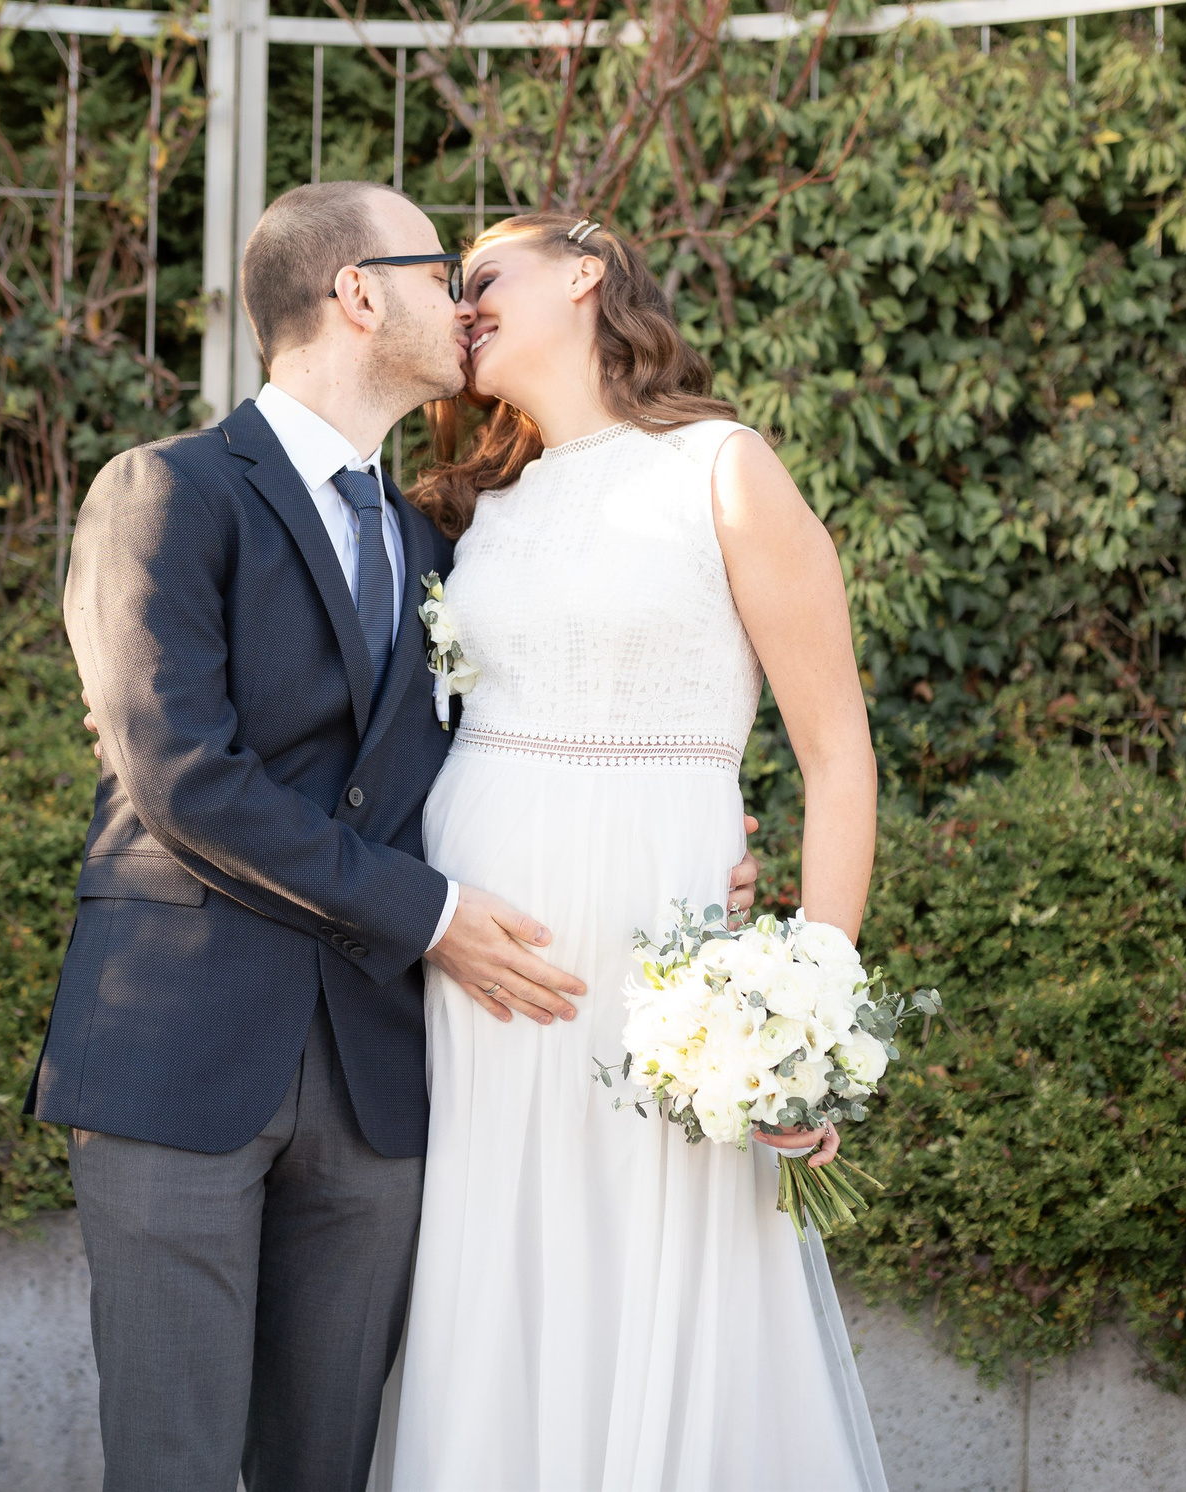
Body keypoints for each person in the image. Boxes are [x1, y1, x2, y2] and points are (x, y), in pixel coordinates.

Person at [28, 181, 760, 1492]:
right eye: (443, 273)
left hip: (380, 1081)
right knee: (174, 1464)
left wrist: (690, 837)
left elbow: (505, 749)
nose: (465, 305)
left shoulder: (439, 543)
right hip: (182, 1050)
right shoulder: (166, 493)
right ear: (359, 295)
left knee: (333, 1468)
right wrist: (428, 917)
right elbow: (183, 777)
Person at [374, 213, 889, 1490]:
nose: (463, 304)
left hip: (661, 968)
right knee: (501, 1264)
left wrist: (806, 1016)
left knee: (666, 1270)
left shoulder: (719, 465)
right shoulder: (470, 506)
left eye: (483, 275)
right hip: (482, 968)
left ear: (586, 271)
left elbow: (837, 757)